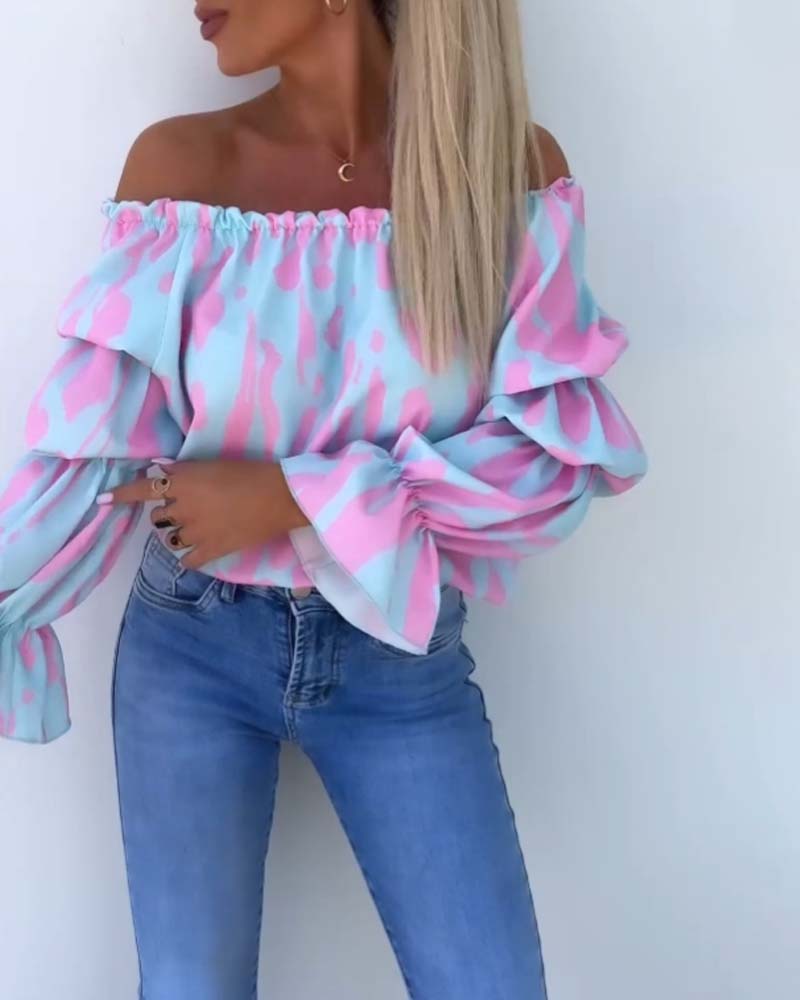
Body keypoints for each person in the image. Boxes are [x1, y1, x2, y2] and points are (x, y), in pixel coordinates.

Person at [0, 0, 647, 996]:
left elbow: (544, 463)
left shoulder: (506, 173)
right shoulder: (182, 170)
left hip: (401, 663)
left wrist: (290, 495)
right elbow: (84, 450)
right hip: (189, 648)